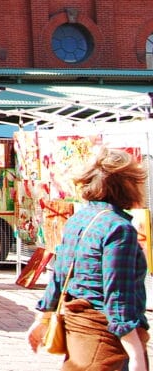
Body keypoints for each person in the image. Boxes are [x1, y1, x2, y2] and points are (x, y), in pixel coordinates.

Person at [27, 148, 149, 370]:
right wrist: (137, 354)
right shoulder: (119, 229)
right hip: (105, 340)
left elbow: (60, 274)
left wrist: (42, 318)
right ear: (127, 184)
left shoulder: (78, 219)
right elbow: (117, 296)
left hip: (78, 333)